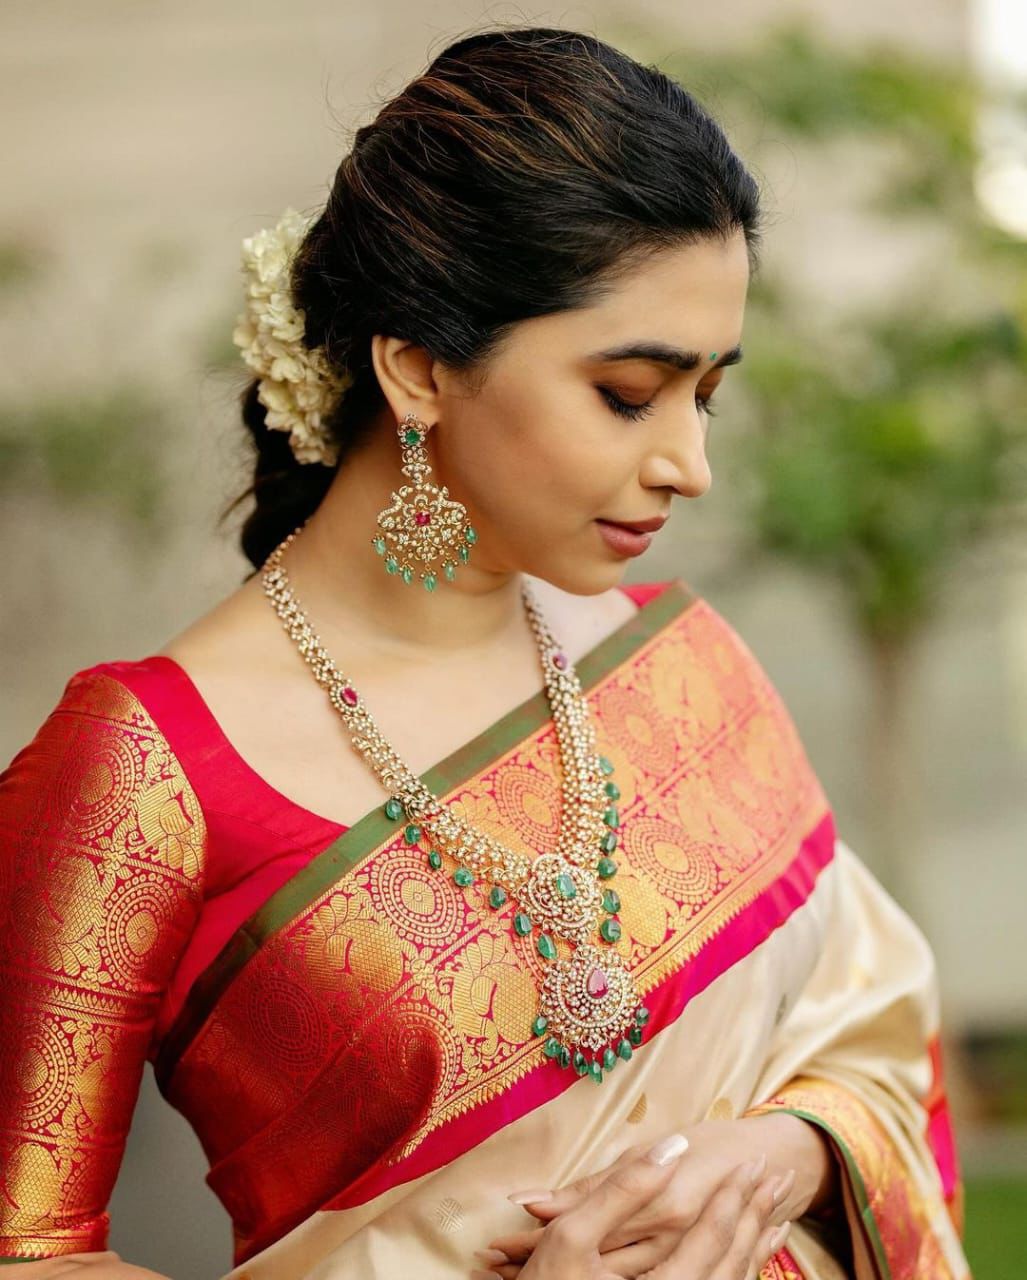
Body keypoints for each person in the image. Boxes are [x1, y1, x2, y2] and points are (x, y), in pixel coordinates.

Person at [0, 25, 970, 1280]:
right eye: (628, 391)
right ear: (415, 365)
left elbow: (873, 1033)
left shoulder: (680, 661)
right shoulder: (141, 774)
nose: (690, 463)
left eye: (706, 394)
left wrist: (794, 1147)